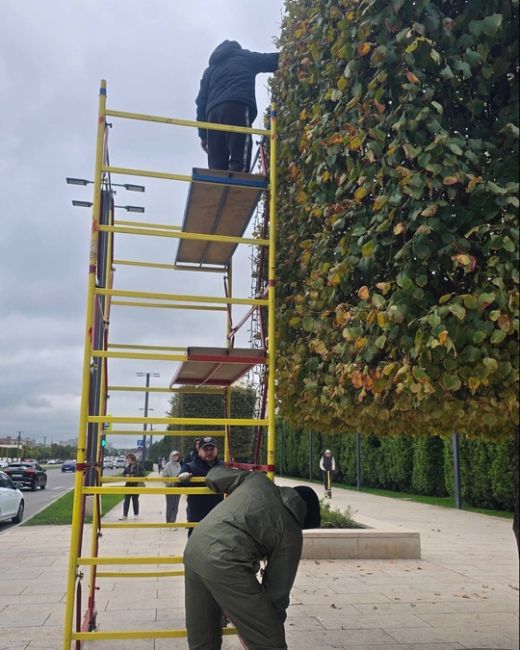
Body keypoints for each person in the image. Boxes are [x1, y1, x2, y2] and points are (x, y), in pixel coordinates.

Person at [184, 465, 321, 649]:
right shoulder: (291, 531)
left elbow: (215, 475)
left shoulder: (256, 480)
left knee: (203, 639)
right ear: (304, 518)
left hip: (195, 547)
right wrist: (260, 627)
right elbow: (277, 593)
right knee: (270, 643)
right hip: (226, 560)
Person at [195, 40, 279, 172]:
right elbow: (271, 60)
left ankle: (217, 184)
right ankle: (239, 180)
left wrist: (203, 135)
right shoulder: (245, 57)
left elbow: (200, 103)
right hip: (237, 106)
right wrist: (292, 53)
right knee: (239, 159)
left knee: (217, 167)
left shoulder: (209, 71)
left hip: (212, 114)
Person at [178, 436, 224, 536]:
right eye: (205, 449)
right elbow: (178, 482)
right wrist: (182, 477)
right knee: (195, 546)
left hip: (217, 514)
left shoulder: (223, 466)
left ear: (216, 450)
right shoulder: (190, 466)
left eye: (211, 449)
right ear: (199, 451)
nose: (209, 452)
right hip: (196, 515)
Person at [119, 453, 145, 519]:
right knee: (126, 500)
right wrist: (126, 475)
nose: (127, 460)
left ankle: (136, 515)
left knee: (135, 500)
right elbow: (123, 474)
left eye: (128, 459)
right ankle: (125, 515)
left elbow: (142, 474)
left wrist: (132, 475)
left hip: (136, 485)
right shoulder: (128, 466)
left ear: (131, 459)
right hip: (128, 485)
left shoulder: (139, 466)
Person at [162, 450, 182, 523]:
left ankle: (173, 521)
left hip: (178, 488)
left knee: (176, 506)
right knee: (170, 505)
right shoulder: (168, 465)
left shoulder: (179, 465)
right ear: (171, 456)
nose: (176, 457)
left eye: (177, 455)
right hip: (170, 488)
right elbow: (164, 477)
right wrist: (170, 482)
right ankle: (169, 521)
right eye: (174, 455)